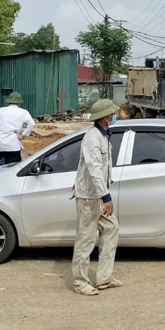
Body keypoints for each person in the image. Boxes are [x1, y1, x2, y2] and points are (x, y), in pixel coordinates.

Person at [71, 99, 122, 296]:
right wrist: (106, 196)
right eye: (111, 113)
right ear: (104, 116)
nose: (113, 116)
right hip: (90, 197)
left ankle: (104, 277)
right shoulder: (92, 137)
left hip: (98, 195)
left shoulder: (104, 136)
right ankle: (80, 282)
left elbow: (91, 166)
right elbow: (93, 168)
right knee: (86, 239)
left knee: (111, 228)